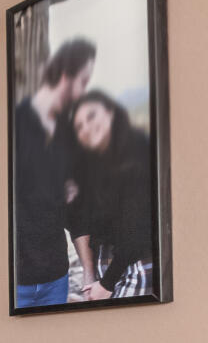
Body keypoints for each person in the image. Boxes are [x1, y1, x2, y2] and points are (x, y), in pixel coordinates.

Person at [12, 38, 96, 308]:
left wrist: (89, 273)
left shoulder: (69, 135)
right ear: (64, 76)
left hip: (56, 279)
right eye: (83, 81)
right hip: (13, 284)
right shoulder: (15, 123)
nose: (83, 92)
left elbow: (76, 212)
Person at [62, 91, 156, 300]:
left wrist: (106, 284)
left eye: (91, 116)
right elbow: (75, 217)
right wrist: (90, 275)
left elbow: (137, 231)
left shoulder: (138, 152)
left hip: (136, 264)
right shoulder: (93, 165)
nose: (86, 128)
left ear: (110, 112)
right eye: (79, 126)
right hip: (107, 264)